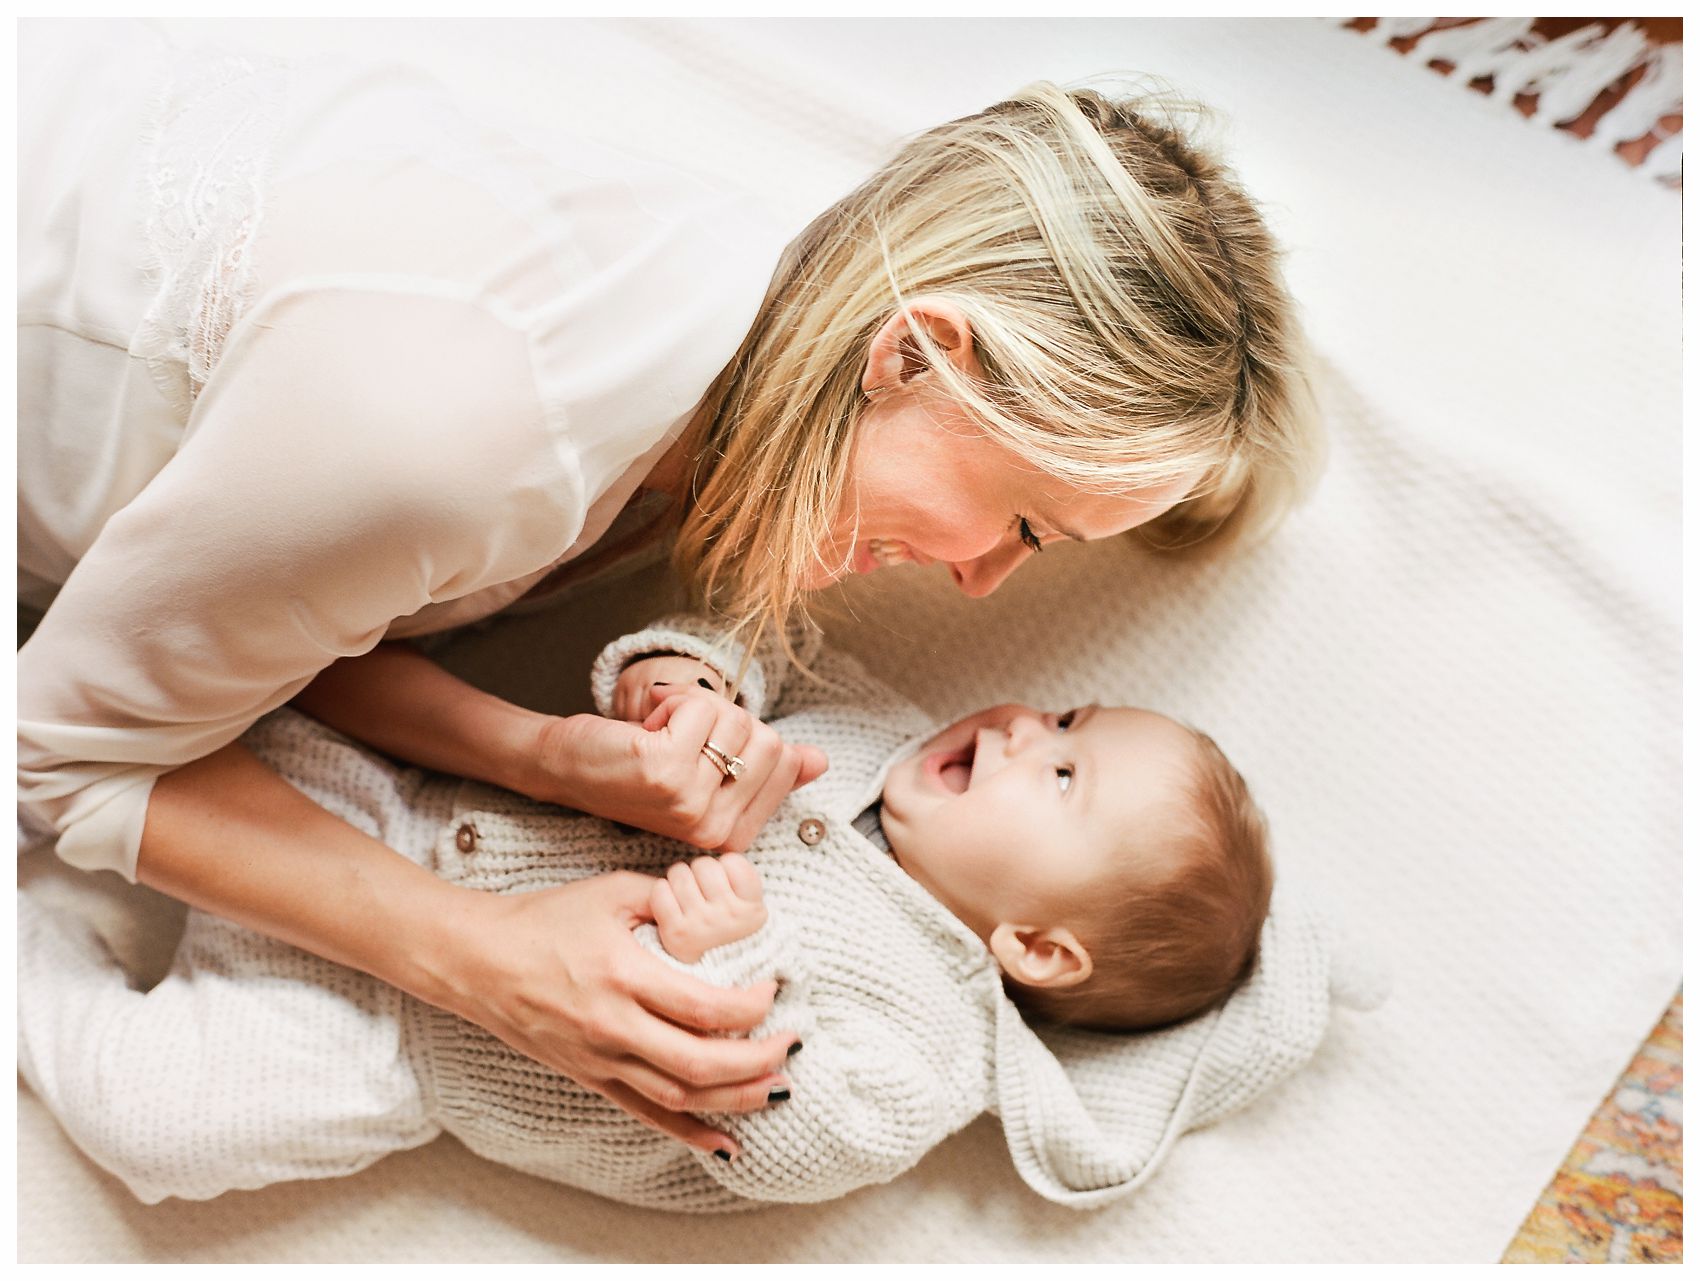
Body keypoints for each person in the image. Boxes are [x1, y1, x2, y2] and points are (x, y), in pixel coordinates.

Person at [17, 19, 1323, 1155]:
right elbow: (54, 754)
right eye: (1025, 525)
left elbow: (293, 626)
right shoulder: (459, 435)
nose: (984, 586)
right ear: (914, 354)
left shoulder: (721, 362)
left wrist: (543, 759)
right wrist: (481, 959)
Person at [19, 615, 1320, 1210]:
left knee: (158, 1123)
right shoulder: (867, 730)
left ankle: (39, 948)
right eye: (1069, 714)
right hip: (401, 811)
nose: (1030, 727)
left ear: (1034, 946)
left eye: (1065, 774)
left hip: (396, 1043)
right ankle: (55, 741)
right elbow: (764, 642)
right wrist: (685, 680)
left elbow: (798, 1142)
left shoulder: (926, 1057)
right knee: (239, 674)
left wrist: (734, 960)